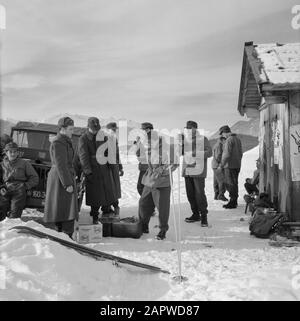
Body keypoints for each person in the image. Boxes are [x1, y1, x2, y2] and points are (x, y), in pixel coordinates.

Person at [138, 125, 178, 240]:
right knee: (143, 203)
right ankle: (144, 225)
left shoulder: (168, 148)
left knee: (162, 207)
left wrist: (163, 169)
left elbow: (174, 164)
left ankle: (163, 230)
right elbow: (142, 158)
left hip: (162, 182)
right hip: (149, 180)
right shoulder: (148, 147)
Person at [78, 117, 119, 224]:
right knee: (95, 194)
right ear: (88, 127)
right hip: (93, 170)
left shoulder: (103, 137)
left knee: (106, 192)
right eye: (93, 129)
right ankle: (95, 216)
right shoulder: (83, 139)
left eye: (97, 128)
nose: (95, 131)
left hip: (104, 168)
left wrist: (111, 164)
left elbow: (108, 151)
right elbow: (83, 156)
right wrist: (87, 171)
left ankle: (106, 213)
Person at [44, 117, 78, 238]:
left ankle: (63, 234)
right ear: (62, 129)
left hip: (63, 176)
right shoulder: (58, 142)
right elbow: (61, 164)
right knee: (64, 207)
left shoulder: (65, 141)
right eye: (70, 129)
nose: (72, 131)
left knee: (62, 206)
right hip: (60, 178)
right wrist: (67, 183)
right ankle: (64, 235)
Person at [182, 121, 212, 226]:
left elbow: (209, 152)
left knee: (199, 194)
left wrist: (195, 153)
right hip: (187, 171)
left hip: (198, 171)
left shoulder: (203, 139)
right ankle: (195, 214)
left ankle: (204, 216)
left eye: (190, 128)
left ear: (195, 128)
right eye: (187, 128)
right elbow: (181, 152)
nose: (188, 130)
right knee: (190, 194)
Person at [0, 142, 39, 221]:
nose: (13, 154)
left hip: (19, 190)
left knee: (15, 214)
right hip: (5, 189)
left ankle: (12, 231)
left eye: (15, 152)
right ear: (6, 152)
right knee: (1, 212)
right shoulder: (1, 164)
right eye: (10, 151)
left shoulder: (24, 163)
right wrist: (1, 187)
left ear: (18, 153)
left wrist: (25, 186)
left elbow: (34, 178)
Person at [218, 125, 243, 209]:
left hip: (230, 165)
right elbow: (241, 153)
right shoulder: (237, 139)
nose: (222, 136)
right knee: (235, 183)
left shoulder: (229, 140)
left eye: (222, 134)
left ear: (225, 132)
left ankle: (232, 202)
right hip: (237, 164)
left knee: (230, 184)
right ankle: (234, 201)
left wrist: (221, 164)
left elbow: (226, 154)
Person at [106, 122, 123, 215]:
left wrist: (120, 166)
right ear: (108, 130)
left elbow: (117, 154)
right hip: (107, 167)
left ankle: (116, 205)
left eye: (115, 129)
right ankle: (108, 207)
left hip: (114, 166)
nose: (114, 131)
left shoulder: (115, 139)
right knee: (109, 187)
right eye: (113, 129)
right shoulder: (104, 139)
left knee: (115, 187)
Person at [134, 122, 153, 196]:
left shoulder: (151, 139)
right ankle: (147, 203)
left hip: (148, 167)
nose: (142, 131)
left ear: (148, 129)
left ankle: (148, 203)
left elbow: (146, 154)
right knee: (142, 187)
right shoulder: (143, 139)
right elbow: (138, 154)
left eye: (143, 129)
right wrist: (137, 144)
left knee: (142, 187)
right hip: (143, 166)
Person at [212, 135, 227, 201]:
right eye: (225, 140)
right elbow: (218, 156)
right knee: (222, 181)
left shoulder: (216, 144)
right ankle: (221, 195)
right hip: (218, 165)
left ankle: (216, 194)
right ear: (222, 139)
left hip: (214, 165)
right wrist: (221, 164)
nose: (226, 142)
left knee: (216, 180)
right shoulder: (219, 146)